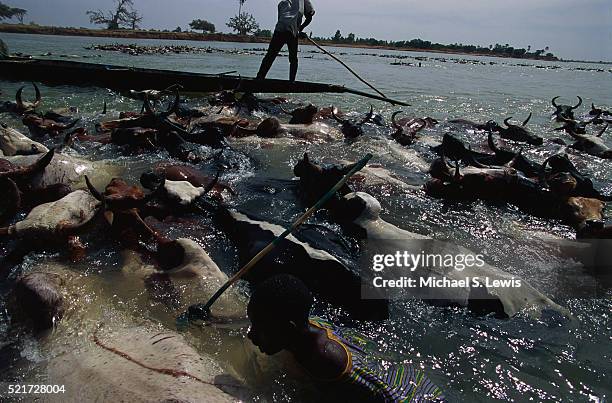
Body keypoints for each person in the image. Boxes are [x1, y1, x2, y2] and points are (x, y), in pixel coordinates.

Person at [247, 274, 446, 402]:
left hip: (413, 397)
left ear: (288, 329)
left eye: (260, 329)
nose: (251, 336)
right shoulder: (309, 324)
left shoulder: (323, 361)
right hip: (414, 380)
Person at [256, 0, 315, 82]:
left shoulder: (282, 3)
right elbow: (309, 17)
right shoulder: (303, 1)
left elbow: (280, 19)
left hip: (279, 30)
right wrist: (299, 29)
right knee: (293, 59)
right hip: (291, 30)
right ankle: (291, 83)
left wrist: (298, 30)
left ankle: (259, 79)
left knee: (270, 56)